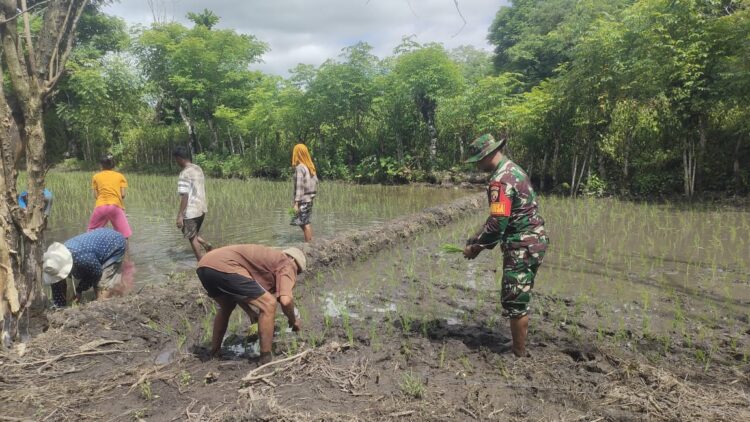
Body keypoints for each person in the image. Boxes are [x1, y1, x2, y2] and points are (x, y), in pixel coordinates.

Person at [462, 134, 548, 358]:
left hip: (522, 244)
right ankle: (518, 347)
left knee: (515, 298)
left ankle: (518, 353)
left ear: (487, 155)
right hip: (534, 240)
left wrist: (476, 247)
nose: (477, 165)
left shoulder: (500, 180)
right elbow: (499, 216)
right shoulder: (513, 169)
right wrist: (477, 235)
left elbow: (498, 223)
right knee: (517, 295)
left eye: (478, 160)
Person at [196, 245, 306, 364]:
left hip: (204, 265)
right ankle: (265, 358)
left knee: (226, 306)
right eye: (297, 272)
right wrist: (293, 320)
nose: (294, 276)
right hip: (225, 265)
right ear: (294, 261)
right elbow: (286, 301)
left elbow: (236, 291)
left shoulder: (268, 261)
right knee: (269, 304)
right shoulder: (287, 263)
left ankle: (214, 352)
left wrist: (250, 312)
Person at [43, 228, 128, 307]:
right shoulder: (53, 264)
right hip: (97, 245)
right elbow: (57, 287)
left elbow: (96, 273)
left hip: (114, 244)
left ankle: (111, 303)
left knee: (101, 285)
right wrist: (60, 307)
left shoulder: (83, 258)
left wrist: (79, 290)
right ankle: (117, 292)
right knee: (67, 281)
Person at [173, 146, 212, 260]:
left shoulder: (184, 173)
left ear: (180, 158)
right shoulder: (197, 168)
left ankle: (201, 261)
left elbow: (185, 195)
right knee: (192, 233)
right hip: (202, 208)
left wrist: (180, 215)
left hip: (191, 211)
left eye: (176, 160)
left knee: (191, 237)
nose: (176, 162)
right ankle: (206, 245)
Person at [88, 155, 132, 238]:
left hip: (100, 206)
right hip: (115, 206)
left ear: (101, 165)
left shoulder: (96, 177)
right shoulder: (120, 176)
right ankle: (126, 250)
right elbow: (123, 195)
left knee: (91, 232)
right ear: (113, 165)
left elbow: (96, 195)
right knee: (124, 235)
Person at [290, 142, 318, 242]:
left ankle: (308, 246)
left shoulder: (300, 168)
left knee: (304, 223)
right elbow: (315, 182)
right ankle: (311, 242)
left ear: (297, 153)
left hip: (302, 200)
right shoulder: (310, 167)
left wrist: (296, 203)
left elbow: (299, 186)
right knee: (304, 222)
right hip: (309, 199)